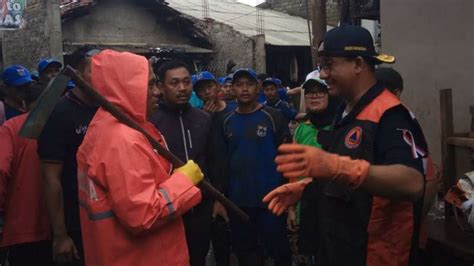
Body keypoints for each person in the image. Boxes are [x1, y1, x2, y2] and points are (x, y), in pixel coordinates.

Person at [263, 25, 429, 266]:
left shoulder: (390, 114)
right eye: (322, 66)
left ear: (359, 64)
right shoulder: (344, 109)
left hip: (375, 254)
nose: (323, 74)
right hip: (341, 248)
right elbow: (346, 174)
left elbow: (412, 182)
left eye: (329, 65)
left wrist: (335, 166)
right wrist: (307, 189)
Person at [77, 49, 203, 266]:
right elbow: (143, 215)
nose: (158, 92)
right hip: (142, 257)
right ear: (127, 86)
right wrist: (184, 181)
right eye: (151, 85)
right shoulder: (122, 140)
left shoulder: (108, 124)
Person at [214, 68, 292, 265]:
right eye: (239, 85)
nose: (244, 89)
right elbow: (223, 163)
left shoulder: (273, 117)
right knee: (246, 254)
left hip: (272, 201)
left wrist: (288, 197)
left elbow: (288, 157)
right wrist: (222, 197)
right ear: (232, 88)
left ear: (258, 88)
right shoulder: (226, 121)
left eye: (249, 84)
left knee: (279, 251)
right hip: (239, 202)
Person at [37, 46, 100, 266]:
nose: (104, 76)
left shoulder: (106, 109)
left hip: (103, 221)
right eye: (96, 70)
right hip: (75, 221)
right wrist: (61, 235)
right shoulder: (59, 112)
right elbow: (50, 177)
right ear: (79, 74)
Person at [376, 67, 442, 264]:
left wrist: (411, 224)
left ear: (396, 93)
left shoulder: (400, 123)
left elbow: (430, 181)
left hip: (399, 241)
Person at [150, 61, 212, 266]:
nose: (182, 88)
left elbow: (214, 161)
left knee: (198, 258)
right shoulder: (151, 123)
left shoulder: (203, 119)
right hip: (168, 213)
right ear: (160, 86)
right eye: (174, 83)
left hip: (200, 212)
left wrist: (216, 199)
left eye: (186, 82)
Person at [285, 70, 339, 264]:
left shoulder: (339, 127)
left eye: (320, 91)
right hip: (306, 209)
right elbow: (294, 172)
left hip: (335, 210)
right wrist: (291, 208)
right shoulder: (301, 129)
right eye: (309, 92)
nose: (314, 96)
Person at [0, 85, 51, 266]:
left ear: (23, 105)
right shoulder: (60, 124)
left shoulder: (11, 128)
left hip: (21, 228)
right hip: (62, 229)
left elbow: (1, 170)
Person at [193, 71, 234, 266]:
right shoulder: (198, 117)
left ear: (217, 86)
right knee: (218, 236)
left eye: (209, 87)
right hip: (212, 183)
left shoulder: (233, 111)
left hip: (234, 181)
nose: (206, 92)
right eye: (201, 90)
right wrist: (205, 119)